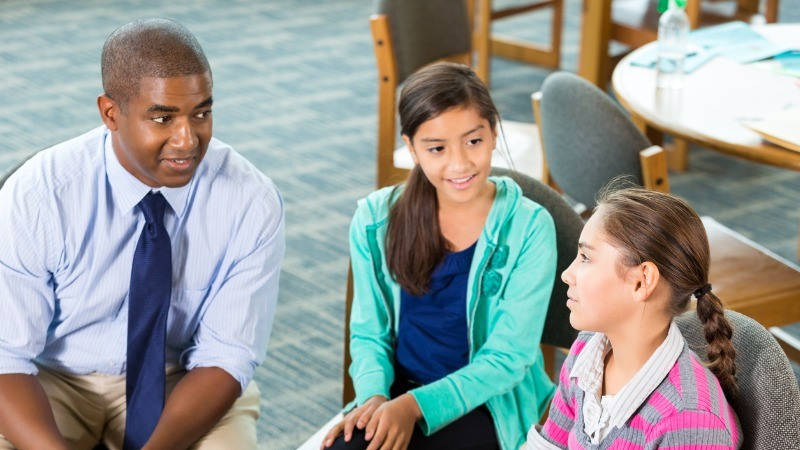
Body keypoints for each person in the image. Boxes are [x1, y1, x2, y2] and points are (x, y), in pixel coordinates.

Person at [0, 18, 284, 450]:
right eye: (163, 118)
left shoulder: (251, 199)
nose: (188, 139)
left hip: (183, 379)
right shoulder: (41, 193)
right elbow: (6, 357)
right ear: (111, 114)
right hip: (55, 378)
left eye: (202, 113)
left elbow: (228, 355)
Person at [322, 62, 558, 450]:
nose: (460, 164)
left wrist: (415, 407)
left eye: (473, 141)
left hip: (487, 404)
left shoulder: (530, 227)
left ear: (493, 133)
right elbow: (369, 333)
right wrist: (374, 399)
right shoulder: (374, 220)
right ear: (411, 147)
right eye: (436, 148)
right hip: (396, 392)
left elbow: (508, 359)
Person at [525, 186, 741, 449]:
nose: (567, 274)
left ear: (641, 282)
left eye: (585, 257)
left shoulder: (689, 421)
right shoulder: (587, 351)